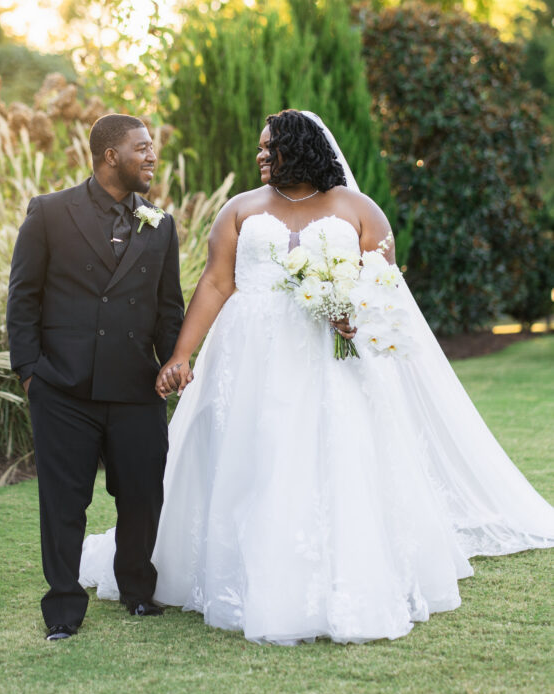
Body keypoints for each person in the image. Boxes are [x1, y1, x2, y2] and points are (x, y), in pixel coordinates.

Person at [80, 109, 554, 645]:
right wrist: (182, 355)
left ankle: (330, 574)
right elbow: (215, 284)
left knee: (334, 453)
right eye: (258, 148)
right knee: (248, 456)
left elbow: (385, 285)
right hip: (248, 357)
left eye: (269, 147)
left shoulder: (357, 209)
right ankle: (235, 569)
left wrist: (358, 314)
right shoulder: (240, 210)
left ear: (299, 148)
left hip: (330, 358)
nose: (259, 155)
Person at [7, 114, 184, 640]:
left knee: (142, 495)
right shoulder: (49, 213)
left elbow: (168, 308)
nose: (152, 156)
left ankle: (136, 590)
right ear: (111, 155)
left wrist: (173, 361)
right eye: (142, 148)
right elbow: (23, 298)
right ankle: (63, 609)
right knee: (64, 502)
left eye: (152, 148)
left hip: (136, 386)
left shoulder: (161, 223)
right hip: (62, 388)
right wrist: (29, 373)